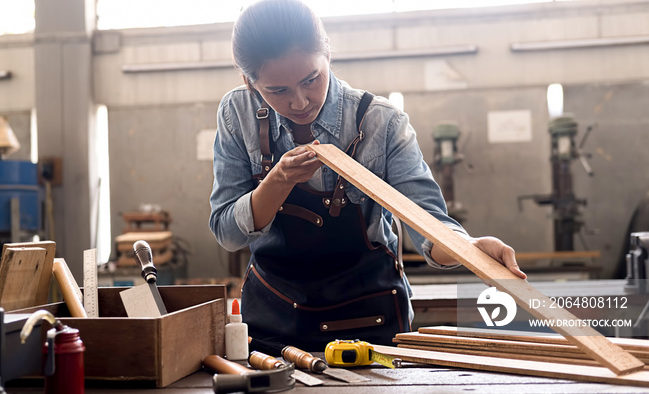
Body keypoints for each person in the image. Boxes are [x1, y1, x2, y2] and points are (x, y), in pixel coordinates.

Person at [209, 0, 526, 351]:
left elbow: (428, 224)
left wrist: (469, 248)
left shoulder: (382, 123)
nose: (299, 102)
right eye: (277, 91)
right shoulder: (237, 113)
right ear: (249, 82)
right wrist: (278, 181)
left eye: (311, 79)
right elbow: (227, 232)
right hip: (274, 325)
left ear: (327, 53)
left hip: (369, 325)